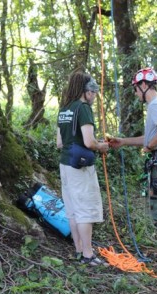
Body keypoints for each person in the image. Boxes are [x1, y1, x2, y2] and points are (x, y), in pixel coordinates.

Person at [109, 67, 157, 273]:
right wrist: (123, 142)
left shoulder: (155, 105)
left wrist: (149, 147)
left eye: (135, 88)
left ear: (143, 85)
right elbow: (152, 136)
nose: (135, 93)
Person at [56, 70, 109, 266]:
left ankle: (79, 251)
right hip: (80, 167)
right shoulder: (83, 108)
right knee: (85, 210)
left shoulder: (64, 109)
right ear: (86, 91)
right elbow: (89, 141)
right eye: (93, 92)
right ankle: (88, 255)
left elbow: (59, 143)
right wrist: (101, 146)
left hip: (65, 164)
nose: (94, 96)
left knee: (73, 210)